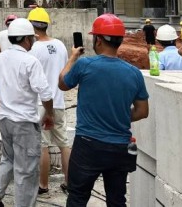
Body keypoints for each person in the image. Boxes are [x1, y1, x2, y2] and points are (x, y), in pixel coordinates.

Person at [59, 14, 149, 207]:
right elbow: (142, 111)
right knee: (117, 201)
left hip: (88, 145)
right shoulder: (134, 73)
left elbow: (62, 83)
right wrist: (120, 116)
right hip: (119, 147)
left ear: (98, 40)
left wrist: (73, 57)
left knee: (77, 197)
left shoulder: (84, 65)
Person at [0, 18, 55, 207]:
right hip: (24, 123)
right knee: (27, 170)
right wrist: (49, 114)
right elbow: (46, 93)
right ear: (25, 39)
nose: (33, 41)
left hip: (5, 119)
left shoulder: (1, 58)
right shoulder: (30, 61)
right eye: (31, 38)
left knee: (7, 159)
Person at [27, 7, 70, 195]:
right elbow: (65, 70)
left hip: (41, 103)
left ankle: (43, 185)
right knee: (63, 143)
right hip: (59, 101)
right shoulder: (60, 45)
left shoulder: (33, 48)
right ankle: (69, 183)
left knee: (43, 145)